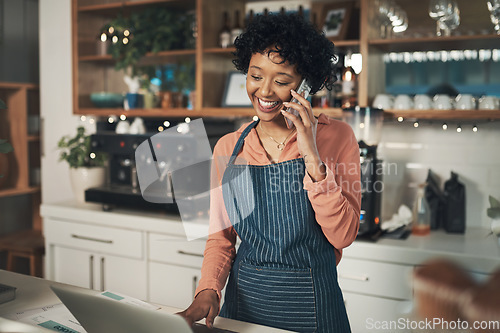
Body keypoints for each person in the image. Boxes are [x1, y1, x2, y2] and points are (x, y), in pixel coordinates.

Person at [178, 13, 361, 333]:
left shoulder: (338, 137)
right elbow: (221, 238)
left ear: (306, 85)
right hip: (242, 311)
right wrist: (208, 289)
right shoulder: (228, 147)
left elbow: (343, 235)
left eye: (281, 81)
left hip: (315, 311)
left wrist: (310, 152)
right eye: (255, 75)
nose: (264, 91)